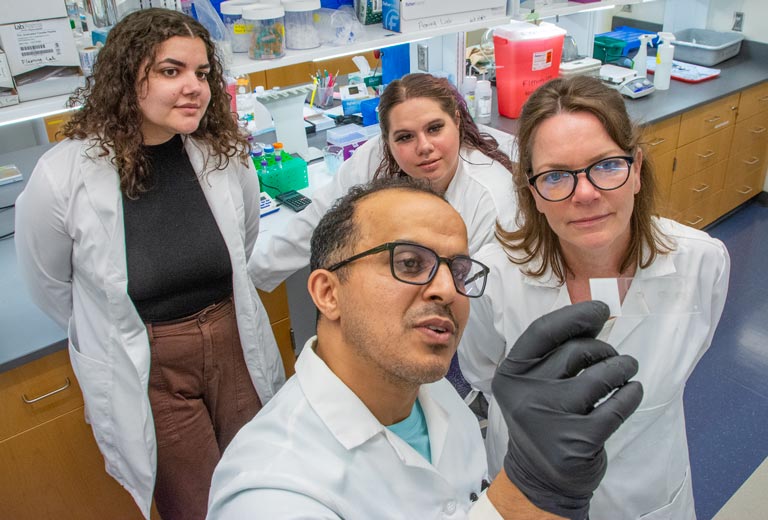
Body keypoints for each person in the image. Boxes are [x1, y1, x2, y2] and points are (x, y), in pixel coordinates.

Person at [207, 178, 643, 520]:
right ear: (328, 293)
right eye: (409, 262)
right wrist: (533, 490)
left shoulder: (433, 393)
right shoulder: (271, 492)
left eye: (459, 270)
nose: (446, 290)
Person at [14, 9, 284, 520]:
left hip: (234, 342)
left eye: (202, 74)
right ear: (126, 76)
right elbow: (53, 287)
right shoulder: (63, 176)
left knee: (263, 485)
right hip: (151, 366)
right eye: (170, 71)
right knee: (198, 506)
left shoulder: (223, 153)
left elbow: (242, 242)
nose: (193, 87)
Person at [459, 76, 730, 520]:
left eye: (606, 165)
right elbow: (483, 372)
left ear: (637, 170)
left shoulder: (702, 263)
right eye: (556, 176)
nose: (584, 194)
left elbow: (692, 352)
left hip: (646, 496)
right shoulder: (494, 276)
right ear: (533, 193)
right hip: (532, 496)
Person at [248, 72, 517, 294]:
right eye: (404, 137)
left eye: (435, 129)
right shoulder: (374, 156)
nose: (424, 147)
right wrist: (250, 278)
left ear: (456, 121)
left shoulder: (489, 198)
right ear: (387, 140)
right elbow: (320, 220)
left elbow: (474, 302)